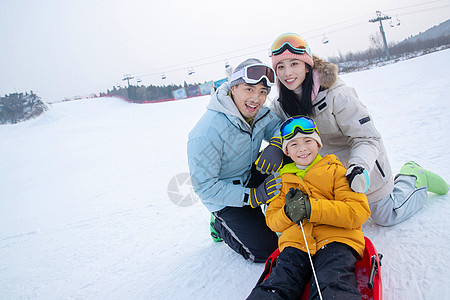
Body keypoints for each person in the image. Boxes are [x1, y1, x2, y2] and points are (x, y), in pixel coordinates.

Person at [256, 32, 449, 226]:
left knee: (387, 216)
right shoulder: (281, 105)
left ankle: (414, 176)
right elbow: (268, 126)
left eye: (294, 64)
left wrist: (359, 168)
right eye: (280, 66)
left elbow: (367, 138)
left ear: (307, 66)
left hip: (358, 165)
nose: (287, 73)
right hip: (325, 176)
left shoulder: (338, 95)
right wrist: (275, 144)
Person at [247, 116, 370, 299]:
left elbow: (357, 211)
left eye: (308, 141)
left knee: (332, 281)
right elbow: (273, 221)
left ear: (318, 144)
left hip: (336, 241)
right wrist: (288, 213)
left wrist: (312, 208)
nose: (302, 148)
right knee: (279, 282)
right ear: (287, 152)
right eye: (294, 144)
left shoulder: (336, 171)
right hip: (296, 244)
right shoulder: (283, 181)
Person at [187, 58, 285, 262]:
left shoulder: (259, 113)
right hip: (225, 195)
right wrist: (253, 196)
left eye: (262, 92)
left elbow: (278, 128)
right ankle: (219, 225)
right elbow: (205, 187)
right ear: (233, 87)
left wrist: (276, 144)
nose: (256, 99)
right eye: (249, 89)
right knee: (266, 252)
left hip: (249, 174)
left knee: (290, 154)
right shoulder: (206, 132)